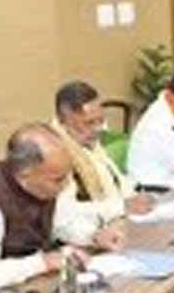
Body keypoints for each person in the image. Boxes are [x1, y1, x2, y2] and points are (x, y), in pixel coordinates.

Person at [0, 124, 113, 288]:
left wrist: (94, 236)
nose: (65, 185)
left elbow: (61, 223)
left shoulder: (44, 184)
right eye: (58, 180)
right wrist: (43, 262)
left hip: (35, 285)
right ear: (25, 174)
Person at [51, 81, 153, 244]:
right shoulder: (55, 154)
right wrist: (120, 207)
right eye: (89, 123)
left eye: (101, 120)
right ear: (64, 122)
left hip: (119, 227)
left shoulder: (89, 143)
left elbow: (118, 182)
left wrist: (137, 198)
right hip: (85, 240)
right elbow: (63, 217)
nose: (99, 129)